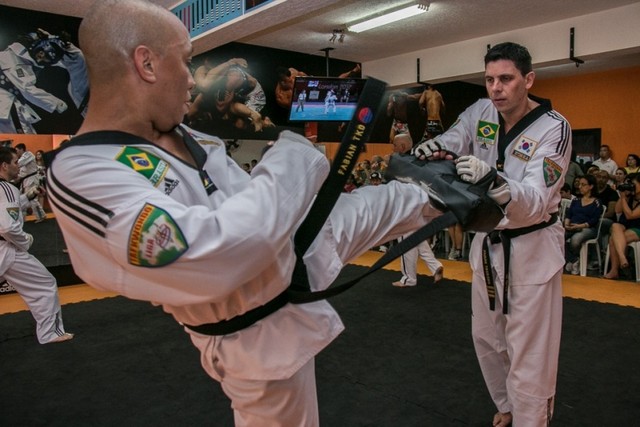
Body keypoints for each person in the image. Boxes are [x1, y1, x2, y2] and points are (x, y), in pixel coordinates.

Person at [45, 1, 436, 425]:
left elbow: (257, 204)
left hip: (294, 255)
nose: (192, 81)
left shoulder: (187, 136)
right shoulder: (83, 171)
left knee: (396, 202)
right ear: (147, 64)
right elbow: (223, 250)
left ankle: (447, 191)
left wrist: (438, 194)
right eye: (186, 62)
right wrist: (293, 153)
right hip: (253, 334)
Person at [414, 42, 571, 426]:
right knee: (487, 340)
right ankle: (507, 406)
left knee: (528, 351)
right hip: (487, 242)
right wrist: (430, 150)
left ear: (527, 80)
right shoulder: (481, 112)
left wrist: (495, 182)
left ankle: (531, 419)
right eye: (489, 79)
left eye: (506, 79)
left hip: (532, 246)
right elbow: (453, 139)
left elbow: (535, 199)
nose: (496, 88)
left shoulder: (555, 128)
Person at [0, 146, 73, 344]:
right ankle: (50, 333)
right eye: (15, 162)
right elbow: (7, 227)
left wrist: (29, 196)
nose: (18, 167)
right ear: (5, 165)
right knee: (44, 284)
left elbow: (7, 210)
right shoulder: (7, 188)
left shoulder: (6, 190)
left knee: (43, 284)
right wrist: (26, 240)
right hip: (6, 250)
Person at [390, 133, 444, 287]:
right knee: (417, 239)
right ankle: (435, 266)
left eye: (395, 145)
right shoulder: (419, 160)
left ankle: (409, 278)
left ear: (402, 146)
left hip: (408, 209)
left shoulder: (404, 163)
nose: (393, 148)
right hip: (422, 207)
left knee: (405, 241)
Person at [603, 173, 640, 280]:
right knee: (615, 225)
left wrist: (623, 198)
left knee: (612, 239)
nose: (631, 186)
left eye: (633, 184)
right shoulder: (629, 197)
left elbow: (630, 215)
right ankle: (622, 258)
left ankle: (614, 270)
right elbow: (617, 210)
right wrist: (623, 196)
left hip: (638, 227)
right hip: (625, 226)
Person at [563, 174, 602, 275]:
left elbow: (594, 220)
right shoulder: (576, 200)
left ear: (591, 186)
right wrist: (567, 223)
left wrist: (579, 226)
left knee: (575, 240)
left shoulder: (597, 202)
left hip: (588, 228)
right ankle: (574, 259)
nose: (580, 186)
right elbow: (569, 213)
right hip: (572, 225)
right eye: (579, 184)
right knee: (557, 236)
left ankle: (575, 261)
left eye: (583, 184)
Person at [14, 143, 46, 222]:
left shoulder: (28, 155)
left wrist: (11, 164)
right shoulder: (22, 157)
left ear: (22, 149)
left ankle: (41, 215)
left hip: (31, 180)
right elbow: (22, 172)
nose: (16, 152)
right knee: (22, 199)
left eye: (17, 150)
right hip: (25, 181)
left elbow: (19, 164)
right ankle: (22, 218)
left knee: (32, 199)